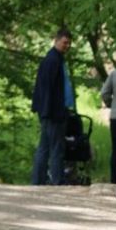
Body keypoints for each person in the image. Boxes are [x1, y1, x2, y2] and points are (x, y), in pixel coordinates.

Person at [30, 27, 74, 186]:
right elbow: (46, 89)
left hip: (52, 111)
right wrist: (48, 112)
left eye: (69, 43)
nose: (67, 46)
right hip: (53, 112)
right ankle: (57, 180)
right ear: (56, 41)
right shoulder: (52, 61)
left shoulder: (56, 59)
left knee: (45, 147)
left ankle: (38, 181)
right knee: (56, 148)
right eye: (64, 42)